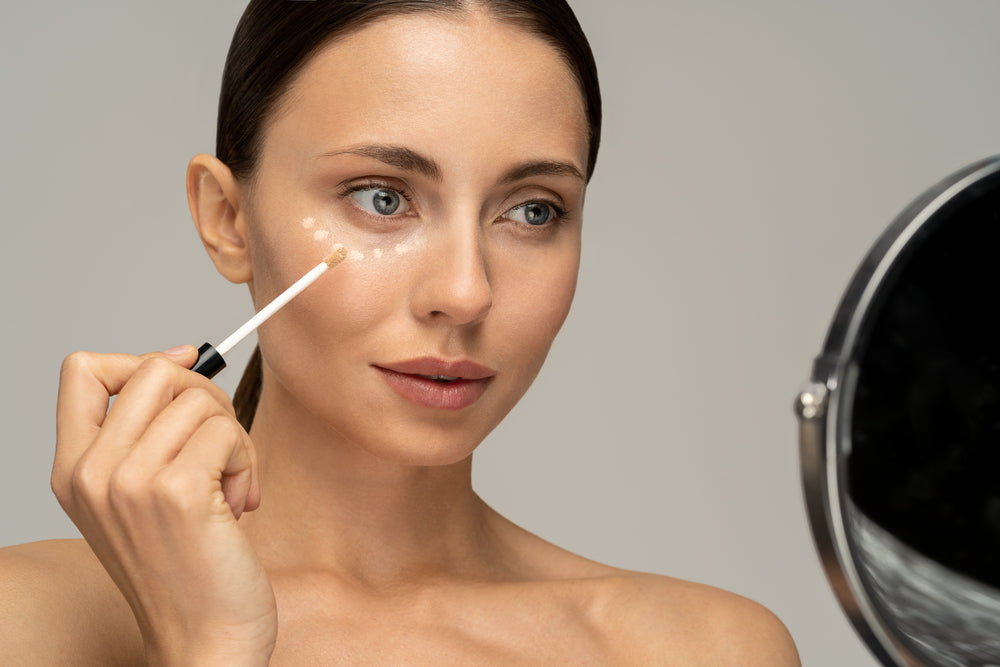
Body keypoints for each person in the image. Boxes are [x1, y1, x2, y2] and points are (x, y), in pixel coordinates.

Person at [0, 1, 799, 664]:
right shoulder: (27, 627)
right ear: (228, 217)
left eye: (532, 210)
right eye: (381, 197)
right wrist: (209, 645)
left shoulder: (702, 649)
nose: (465, 290)